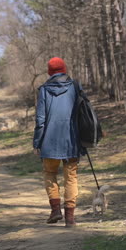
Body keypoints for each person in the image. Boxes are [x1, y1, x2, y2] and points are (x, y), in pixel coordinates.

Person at [33, 57, 82, 228]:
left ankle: (55, 210)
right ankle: (70, 218)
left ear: (49, 72)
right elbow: (82, 115)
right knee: (71, 178)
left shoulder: (44, 90)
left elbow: (40, 120)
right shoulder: (75, 87)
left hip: (49, 141)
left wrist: (37, 143)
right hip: (71, 140)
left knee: (49, 173)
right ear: (64, 69)